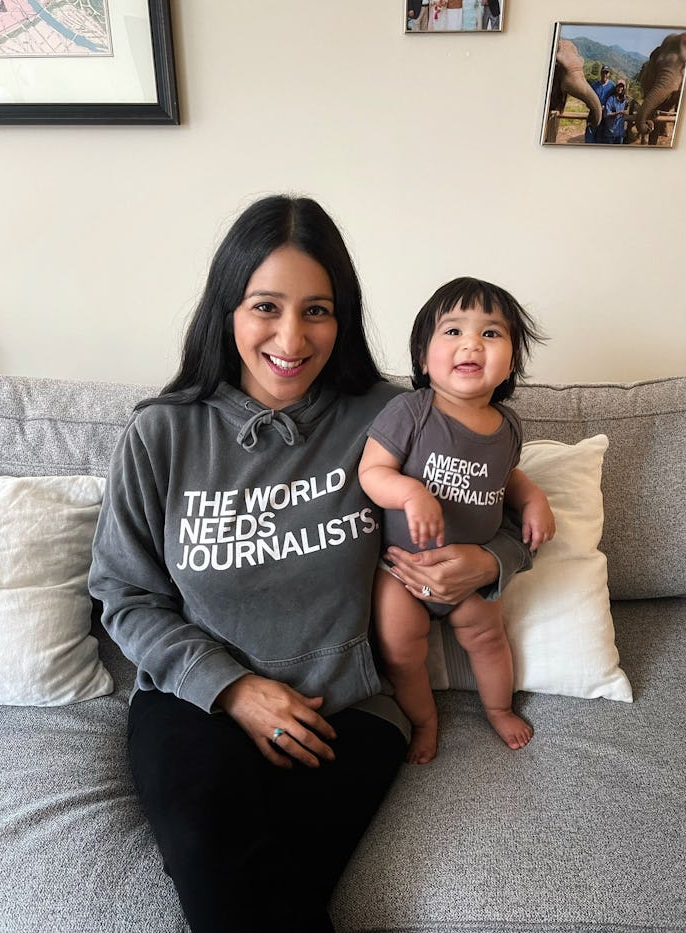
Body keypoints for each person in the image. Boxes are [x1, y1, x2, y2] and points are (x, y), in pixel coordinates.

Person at [89, 196, 533, 932]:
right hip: (195, 698)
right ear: (226, 311)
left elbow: (498, 503)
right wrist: (233, 689)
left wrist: (489, 562)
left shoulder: (397, 418)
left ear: (344, 317)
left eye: (318, 310)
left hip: (350, 703)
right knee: (212, 850)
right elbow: (124, 594)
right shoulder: (160, 433)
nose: (291, 337)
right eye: (266, 305)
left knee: (276, 881)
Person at [359, 277, 555, 764]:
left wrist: (533, 500)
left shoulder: (507, 425)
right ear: (424, 358)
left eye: (491, 334)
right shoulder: (410, 411)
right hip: (399, 570)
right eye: (453, 332)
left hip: (470, 577)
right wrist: (410, 492)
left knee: (489, 639)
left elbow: (508, 476)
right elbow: (371, 472)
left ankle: (498, 707)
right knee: (401, 647)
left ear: (511, 361)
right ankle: (425, 721)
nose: (471, 343)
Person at [585, 65, 616, 143]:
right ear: (600, 73)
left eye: (606, 73)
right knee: (590, 138)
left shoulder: (612, 86)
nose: (604, 74)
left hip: (606, 117)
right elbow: (588, 99)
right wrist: (596, 107)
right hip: (593, 115)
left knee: (601, 139)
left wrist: (607, 107)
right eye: (603, 72)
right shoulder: (594, 85)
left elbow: (614, 100)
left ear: (609, 74)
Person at [603, 79, 629, 144]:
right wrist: (619, 113)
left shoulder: (625, 100)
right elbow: (607, 114)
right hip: (611, 132)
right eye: (618, 86)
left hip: (620, 133)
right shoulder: (611, 99)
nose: (620, 88)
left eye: (622, 87)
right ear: (616, 87)